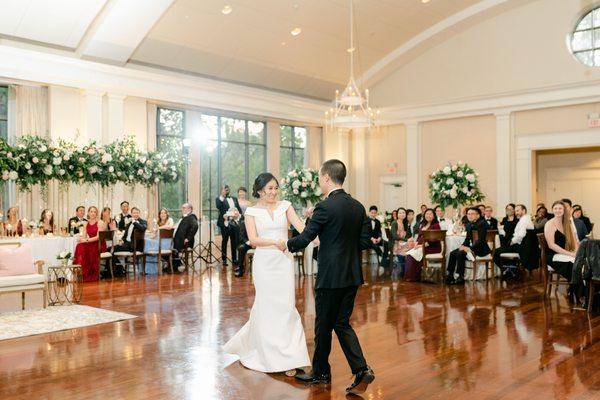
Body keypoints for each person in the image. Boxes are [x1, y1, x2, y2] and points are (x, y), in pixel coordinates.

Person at [287, 160, 374, 395]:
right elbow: (365, 242)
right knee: (340, 323)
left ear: (326, 177)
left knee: (323, 324)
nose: (319, 181)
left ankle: (321, 373)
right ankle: (361, 369)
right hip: (352, 274)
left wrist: (285, 245)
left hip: (330, 275)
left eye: (319, 177)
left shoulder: (324, 207)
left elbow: (306, 237)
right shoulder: (358, 207)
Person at [223, 173, 311, 376]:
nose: (273, 192)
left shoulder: (285, 205)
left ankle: (290, 356)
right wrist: (277, 242)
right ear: (260, 190)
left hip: (283, 262)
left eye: (275, 188)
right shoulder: (251, 211)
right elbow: (253, 240)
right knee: (267, 305)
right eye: (269, 188)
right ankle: (268, 354)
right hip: (265, 263)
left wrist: (318, 235)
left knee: (286, 306)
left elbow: (302, 228)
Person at [446, 207, 490, 285]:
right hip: (472, 247)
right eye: (468, 214)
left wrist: (469, 248)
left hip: (480, 249)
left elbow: (481, 240)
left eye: (472, 214)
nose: (470, 216)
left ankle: (460, 277)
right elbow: (467, 238)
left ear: (478, 215)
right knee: (453, 253)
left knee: (461, 253)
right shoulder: (469, 224)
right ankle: (450, 275)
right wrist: (463, 246)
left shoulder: (482, 223)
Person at [493, 204, 533, 279]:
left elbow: (521, 234)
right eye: (516, 211)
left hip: (521, 247)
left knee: (496, 252)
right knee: (500, 249)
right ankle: (510, 270)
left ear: (523, 211)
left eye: (518, 211)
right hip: (522, 245)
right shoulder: (524, 219)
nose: (516, 212)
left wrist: (512, 241)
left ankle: (509, 270)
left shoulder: (524, 220)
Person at [544, 200, 578, 283]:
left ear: (564, 210)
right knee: (573, 265)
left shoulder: (567, 223)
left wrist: (577, 252)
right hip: (553, 255)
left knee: (585, 262)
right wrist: (571, 254)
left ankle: (591, 291)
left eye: (560, 208)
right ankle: (577, 292)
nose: (557, 210)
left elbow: (575, 240)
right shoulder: (549, 224)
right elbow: (551, 245)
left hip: (565, 252)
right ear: (552, 210)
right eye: (555, 208)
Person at [404, 208, 441, 282]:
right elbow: (419, 237)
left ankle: (414, 276)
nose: (428, 215)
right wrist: (416, 243)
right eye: (427, 214)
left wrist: (421, 246)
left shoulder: (436, 225)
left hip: (432, 247)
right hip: (421, 246)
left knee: (413, 254)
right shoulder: (423, 224)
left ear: (434, 216)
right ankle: (411, 276)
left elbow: (433, 240)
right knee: (410, 253)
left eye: (430, 214)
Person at [74, 206, 107, 282]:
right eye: (91, 211)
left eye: (94, 212)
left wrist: (86, 240)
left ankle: (89, 272)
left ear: (96, 214)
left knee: (85, 247)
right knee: (79, 245)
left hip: (99, 244)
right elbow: (85, 236)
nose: (93, 213)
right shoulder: (86, 223)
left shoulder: (100, 222)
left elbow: (99, 237)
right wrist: (82, 239)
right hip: (90, 242)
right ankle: (80, 271)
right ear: (88, 213)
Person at [111, 207, 147, 273]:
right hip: (127, 243)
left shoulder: (143, 222)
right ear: (131, 214)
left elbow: (143, 228)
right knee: (111, 249)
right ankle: (117, 270)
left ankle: (116, 271)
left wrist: (134, 222)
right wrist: (122, 240)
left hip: (134, 245)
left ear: (139, 213)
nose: (135, 214)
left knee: (112, 249)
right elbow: (125, 236)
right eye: (134, 213)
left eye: (137, 213)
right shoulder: (129, 224)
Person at [216, 185, 243, 266]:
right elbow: (218, 206)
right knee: (225, 241)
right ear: (221, 190)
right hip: (225, 223)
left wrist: (239, 216)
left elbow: (239, 209)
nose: (226, 191)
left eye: (227, 189)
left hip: (234, 222)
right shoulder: (219, 199)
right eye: (224, 189)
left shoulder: (234, 198)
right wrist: (222, 196)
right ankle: (224, 259)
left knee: (234, 241)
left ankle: (234, 259)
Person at [172, 203, 198, 270]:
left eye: (184, 208)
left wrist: (188, 238)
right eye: (182, 208)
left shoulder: (191, 217)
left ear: (189, 209)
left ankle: (174, 265)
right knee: (169, 247)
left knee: (170, 248)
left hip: (185, 242)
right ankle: (175, 264)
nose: (182, 209)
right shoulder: (186, 217)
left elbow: (195, 226)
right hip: (179, 241)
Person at [391, 207, 410, 274]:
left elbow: (407, 234)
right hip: (397, 243)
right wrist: (406, 240)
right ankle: (401, 270)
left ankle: (406, 271)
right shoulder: (394, 223)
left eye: (403, 213)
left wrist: (409, 239)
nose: (402, 214)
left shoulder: (405, 223)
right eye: (400, 213)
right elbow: (394, 236)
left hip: (403, 243)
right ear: (397, 214)